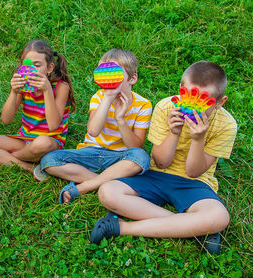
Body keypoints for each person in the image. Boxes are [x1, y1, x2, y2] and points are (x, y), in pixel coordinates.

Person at [90, 61, 237, 255]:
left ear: (220, 102)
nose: (194, 108)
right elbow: (161, 162)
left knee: (218, 217)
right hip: (156, 175)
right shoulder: (166, 107)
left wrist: (198, 138)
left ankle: (122, 228)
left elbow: (193, 171)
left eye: (204, 102)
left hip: (195, 182)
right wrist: (174, 133)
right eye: (189, 97)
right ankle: (195, 230)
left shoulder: (227, 125)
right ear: (180, 91)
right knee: (108, 192)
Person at [38, 49, 152, 204]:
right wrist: (108, 98)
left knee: (141, 158)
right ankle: (108, 181)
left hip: (120, 157)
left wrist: (120, 119)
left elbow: (136, 147)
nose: (108, 79)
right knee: (49, 160)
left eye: (115, 74)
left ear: (132, 79)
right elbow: (93, 131)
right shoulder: (99, 97)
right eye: (103, 74)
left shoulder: (143, 105)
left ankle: (84, 186)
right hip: (90, 152)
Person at [0, 40, 75, 172]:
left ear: (49, 68)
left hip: (50, 142)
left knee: (43, 142)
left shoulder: (61, 87)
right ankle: (29, 167)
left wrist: (47, 90)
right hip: (24, 138)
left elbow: (53, 125)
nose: (31, 70)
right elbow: (5, 119)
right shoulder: (24, 87)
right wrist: (14, 92)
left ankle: (7, 158)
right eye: (27, 65)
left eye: (37, 65)